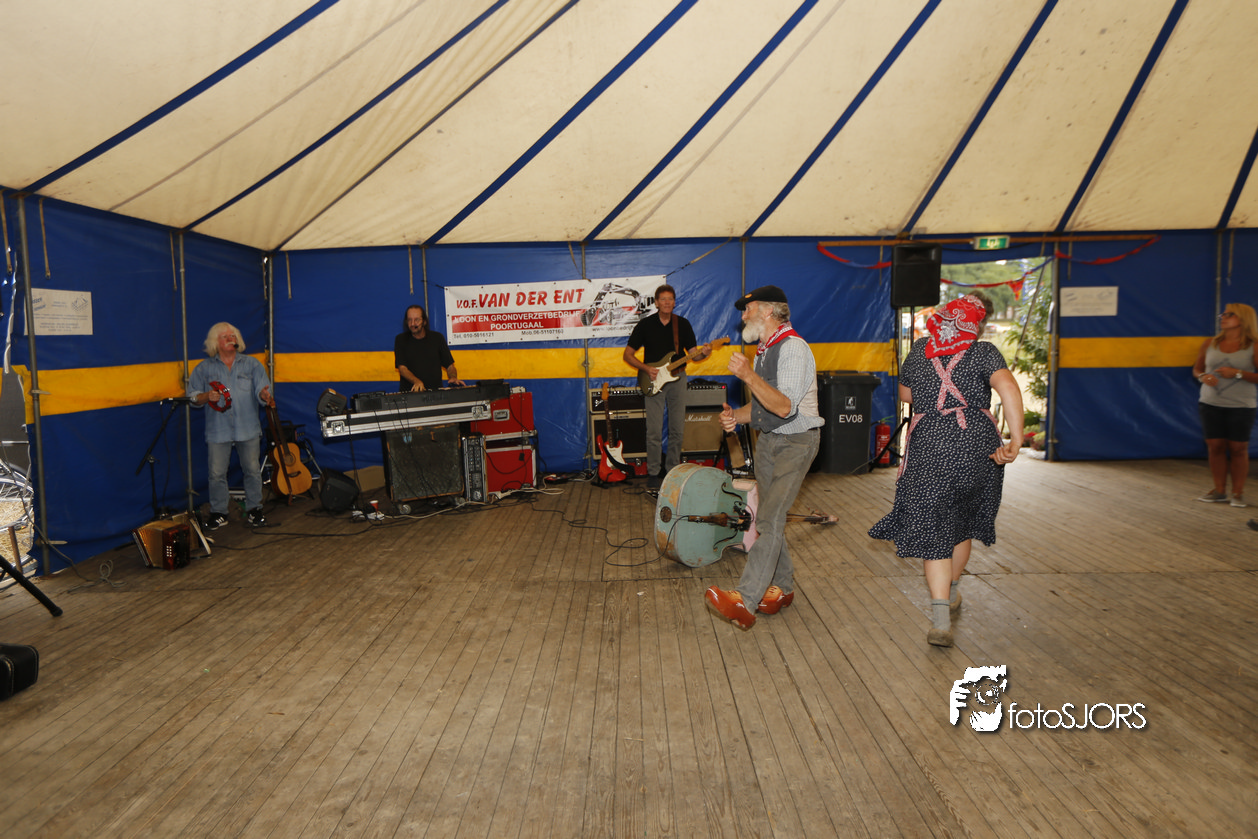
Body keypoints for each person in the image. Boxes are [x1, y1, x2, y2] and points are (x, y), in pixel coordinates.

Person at [869, 293, 1023, 647]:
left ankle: (940, 619)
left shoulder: (921, 349)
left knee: (933, 526)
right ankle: (952, 591)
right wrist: (1015, 439)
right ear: (978, 325)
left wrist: (934, 395)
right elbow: (1009, 388)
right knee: (961, 523)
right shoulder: (984, 352)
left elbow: (906, 395)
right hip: (976, 446)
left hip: (929, 446)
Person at [704, 285, 823, 630]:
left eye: (748, 309)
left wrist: (747, 375)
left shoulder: (794, 348)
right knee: (771, 518)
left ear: (769, 311)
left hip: (796, 442)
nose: (743, 316)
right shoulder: (764, 350)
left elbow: (784, 407)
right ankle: (783, 587)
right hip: (769, 442)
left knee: (769, 519)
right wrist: (736, 417)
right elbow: (763, 405)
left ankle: (746, 599)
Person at [622, 284, 711, 489]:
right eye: (663, 299)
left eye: (670, 299)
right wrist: (646, 368)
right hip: (653, 381)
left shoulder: (683, 324)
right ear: (656, 302)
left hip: (678, 379)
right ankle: (653, 472)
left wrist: (705, 353)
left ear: (674, 302)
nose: (667, 302)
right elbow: (628, 354)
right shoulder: (645, 325)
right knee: (653, 431)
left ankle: (672, 470)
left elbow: (694, 355)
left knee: (677, 429)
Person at [187, 322, 274, 529]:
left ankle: (255, 510)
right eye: (225, 336)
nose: (230, 338)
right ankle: (219, 512)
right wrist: (206, 396)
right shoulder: (204, 368)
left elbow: (263, 391)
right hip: (218, 430)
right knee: (216, 474)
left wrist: (264, 395)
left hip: (248, 428)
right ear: (215, 342)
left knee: (252, 470)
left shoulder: (252, 365)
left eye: (233, 335)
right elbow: (192, 397)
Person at [1191, 303, 1257, 507]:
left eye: (1230, 314)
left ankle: (1238, 493)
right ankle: (1219, 490)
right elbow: (1196, 369)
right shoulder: (1209, 343)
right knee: (1215, 447)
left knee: (1238, 448)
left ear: (1243, 319)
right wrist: (1202, 377)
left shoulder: (1254, 345)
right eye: (1223, 314)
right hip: (1210, 403)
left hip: (1241, 405)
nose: (1223, 317)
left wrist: (1238, 374)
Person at [395, 304, 464, 392]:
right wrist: (417, 381)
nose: (412, 324)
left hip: (435, 393)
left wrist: (453, 377)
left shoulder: (437, 338)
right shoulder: (401, 339)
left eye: (417, 320)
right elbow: (402, 369)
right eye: (409, 320)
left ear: (424, 321)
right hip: (410, 393)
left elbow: (450, 366)